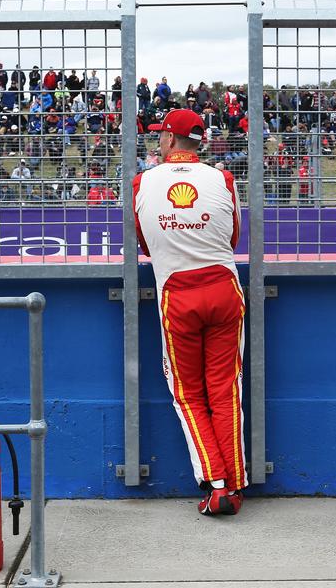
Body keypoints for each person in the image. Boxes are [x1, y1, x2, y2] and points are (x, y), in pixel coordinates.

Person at [132, 108, 246, 516]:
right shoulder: (222, 178)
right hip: (223, 287)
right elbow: (233, 238)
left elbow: (144, 244)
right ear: (199, 141)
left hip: (177, 293)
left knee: (187, 394)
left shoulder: (143, 182)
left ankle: (215, 484)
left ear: (167, 139)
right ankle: (235, 483)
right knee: (226, 388)